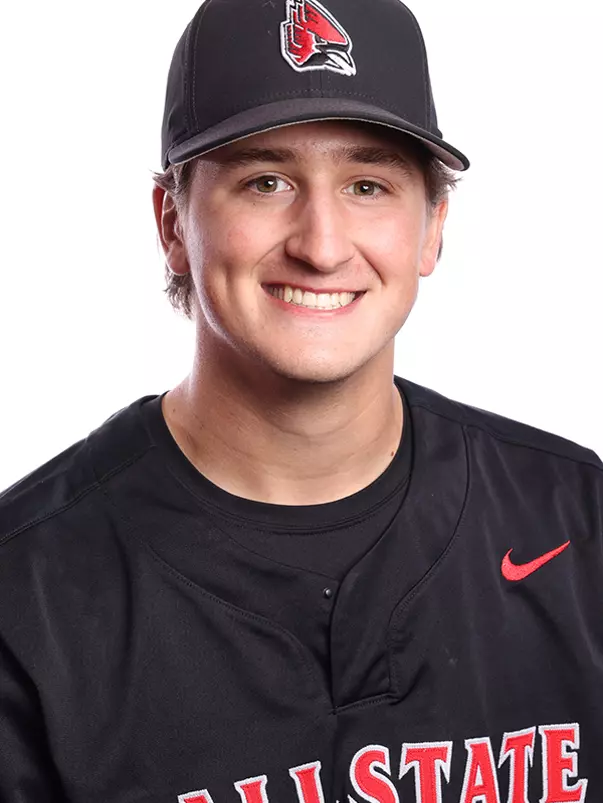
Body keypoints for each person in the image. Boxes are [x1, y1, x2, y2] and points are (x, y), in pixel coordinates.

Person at [0, 0, 601, 800]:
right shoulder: (25, 593)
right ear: (173, 222)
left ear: (431, 228)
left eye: (365, 184)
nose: (320, 244)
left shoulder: (573, 516)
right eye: (266, 181)